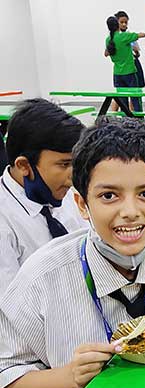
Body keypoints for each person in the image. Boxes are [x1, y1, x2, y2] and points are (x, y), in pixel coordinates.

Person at [0, 118, 145, 388]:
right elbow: (10, 378)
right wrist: (68, 376)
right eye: (108, 195)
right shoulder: (41, 281)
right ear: (82, 204)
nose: (130, 211)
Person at [0, 99, 87, 295]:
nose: (73, 177)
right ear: (24, 166)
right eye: (64, 164)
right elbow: (9, 308)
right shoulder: (4, 220)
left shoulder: (64, 193)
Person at [104, 16, 145, 112]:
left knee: (122, 101)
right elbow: (143, 34)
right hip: (129, 72)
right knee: (135, 99)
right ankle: (140, 121)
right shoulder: (124, 36)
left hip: (117, 73)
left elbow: (106, 53)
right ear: (118, 25)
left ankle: (125, 122)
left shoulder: (108, 40)